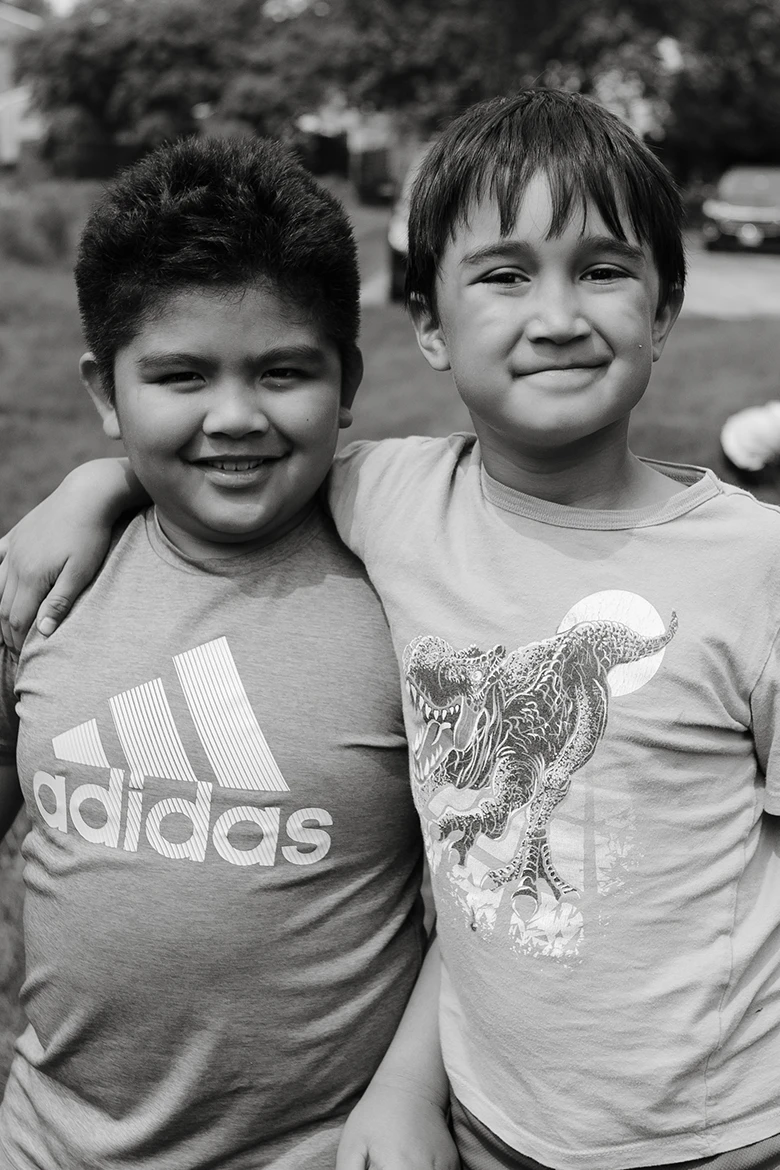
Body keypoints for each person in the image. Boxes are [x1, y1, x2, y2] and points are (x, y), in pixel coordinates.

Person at [3, 88, 780, 1170]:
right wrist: (97, 484)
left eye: (601, 268)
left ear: (664, 306)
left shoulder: (738, 569)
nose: (555, 314)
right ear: (427, 325)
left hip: (679, 1136)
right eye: (504, 274)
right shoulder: (385, 506)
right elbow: (217, 439)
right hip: (430, 1125)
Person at [0, 134, 461, 1170]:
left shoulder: (416, 589)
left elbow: (493, 898)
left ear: (347, 382)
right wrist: (97, 484)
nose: (236, 417)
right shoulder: (43, 582)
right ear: (106, 393)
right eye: (178, 375)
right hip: (43, 1141)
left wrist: (409, 1094)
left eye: (284, 371)